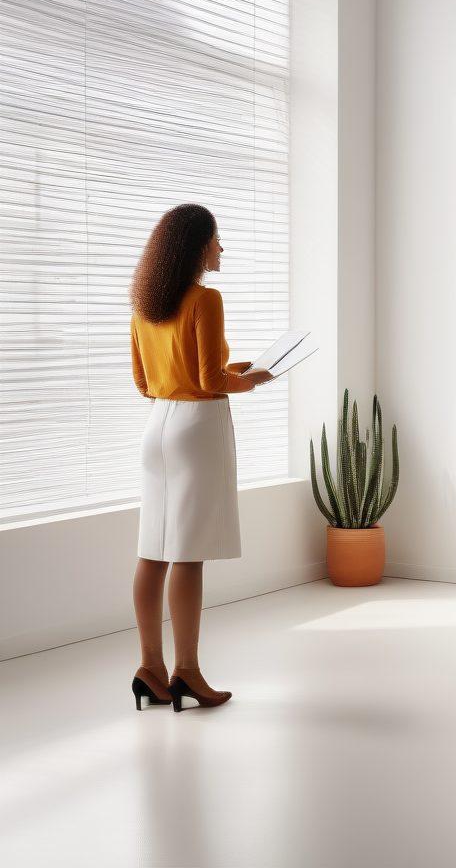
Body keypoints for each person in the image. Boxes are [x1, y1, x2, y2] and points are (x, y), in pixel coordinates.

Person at [128, 204, 273, 712]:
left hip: (158, 430)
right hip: (197, 431)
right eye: (216, 238)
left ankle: (150, 668)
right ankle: (187, 672)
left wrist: (230, 370)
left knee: (153, 550)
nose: (222, 247)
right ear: (196, 246)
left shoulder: (145, 306)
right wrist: (252, 380)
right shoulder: (205, 300)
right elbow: (211, 383)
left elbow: (147, 383)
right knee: (187, 553)